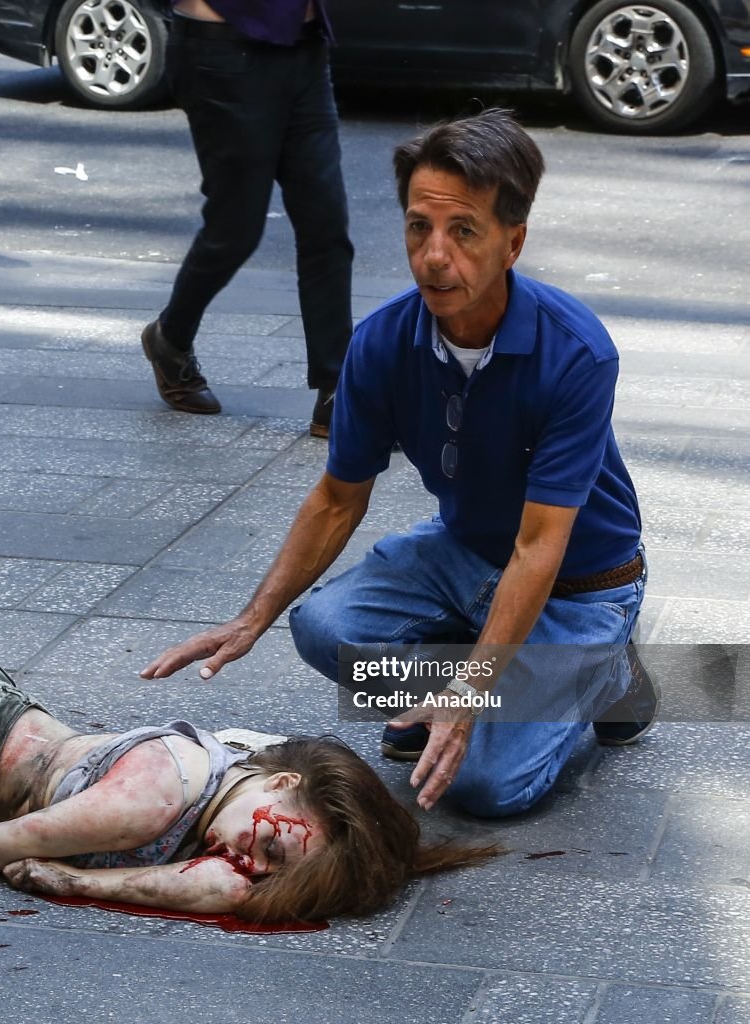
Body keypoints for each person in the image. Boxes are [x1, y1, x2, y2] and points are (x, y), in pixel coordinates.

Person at [140, 109, 659, 819]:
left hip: (579, 583)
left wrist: (471, 693)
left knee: (485, 787)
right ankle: (488, 671)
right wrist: (250, 619)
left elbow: (540, 547)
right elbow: (335, 499)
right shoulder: (382, 342)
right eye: (419, 227)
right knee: (321, 628)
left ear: (512, 242)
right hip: (466, 555)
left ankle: (601, 674)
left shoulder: (574, 352)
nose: (433, 256)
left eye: (462, 231)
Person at [0, 656, 492, 922]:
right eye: (271, 842)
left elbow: (228, 889)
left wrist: (85, 885)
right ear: (280, 782)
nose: (252, 863)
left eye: (275, 868)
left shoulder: (253, 789)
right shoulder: (150, 796)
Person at [140, 0, 353, 437]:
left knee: (326, 226)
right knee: (235, 228)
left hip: (305, 47)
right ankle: (170, 338)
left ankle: (337, 392)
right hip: (225, 49)